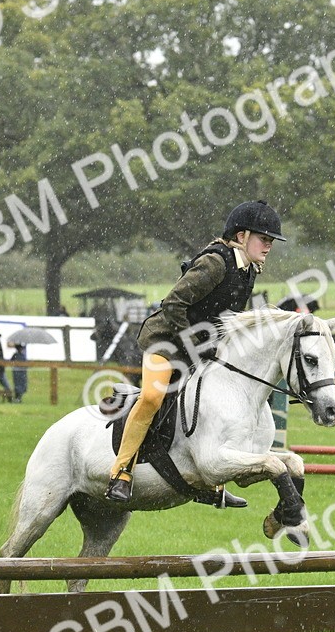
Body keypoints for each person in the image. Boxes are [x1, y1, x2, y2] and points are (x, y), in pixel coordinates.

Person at [106, 200, 287, 504]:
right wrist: (194, 344)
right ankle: (120, 473)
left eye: (270, 241)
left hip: (199, 349)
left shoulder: (248, 271)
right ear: (242, 236)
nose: (268, 246)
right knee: (152, 397)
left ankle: (210, 483)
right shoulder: (215, 263)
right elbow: (173, 305)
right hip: (165, 340)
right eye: (264, 239)